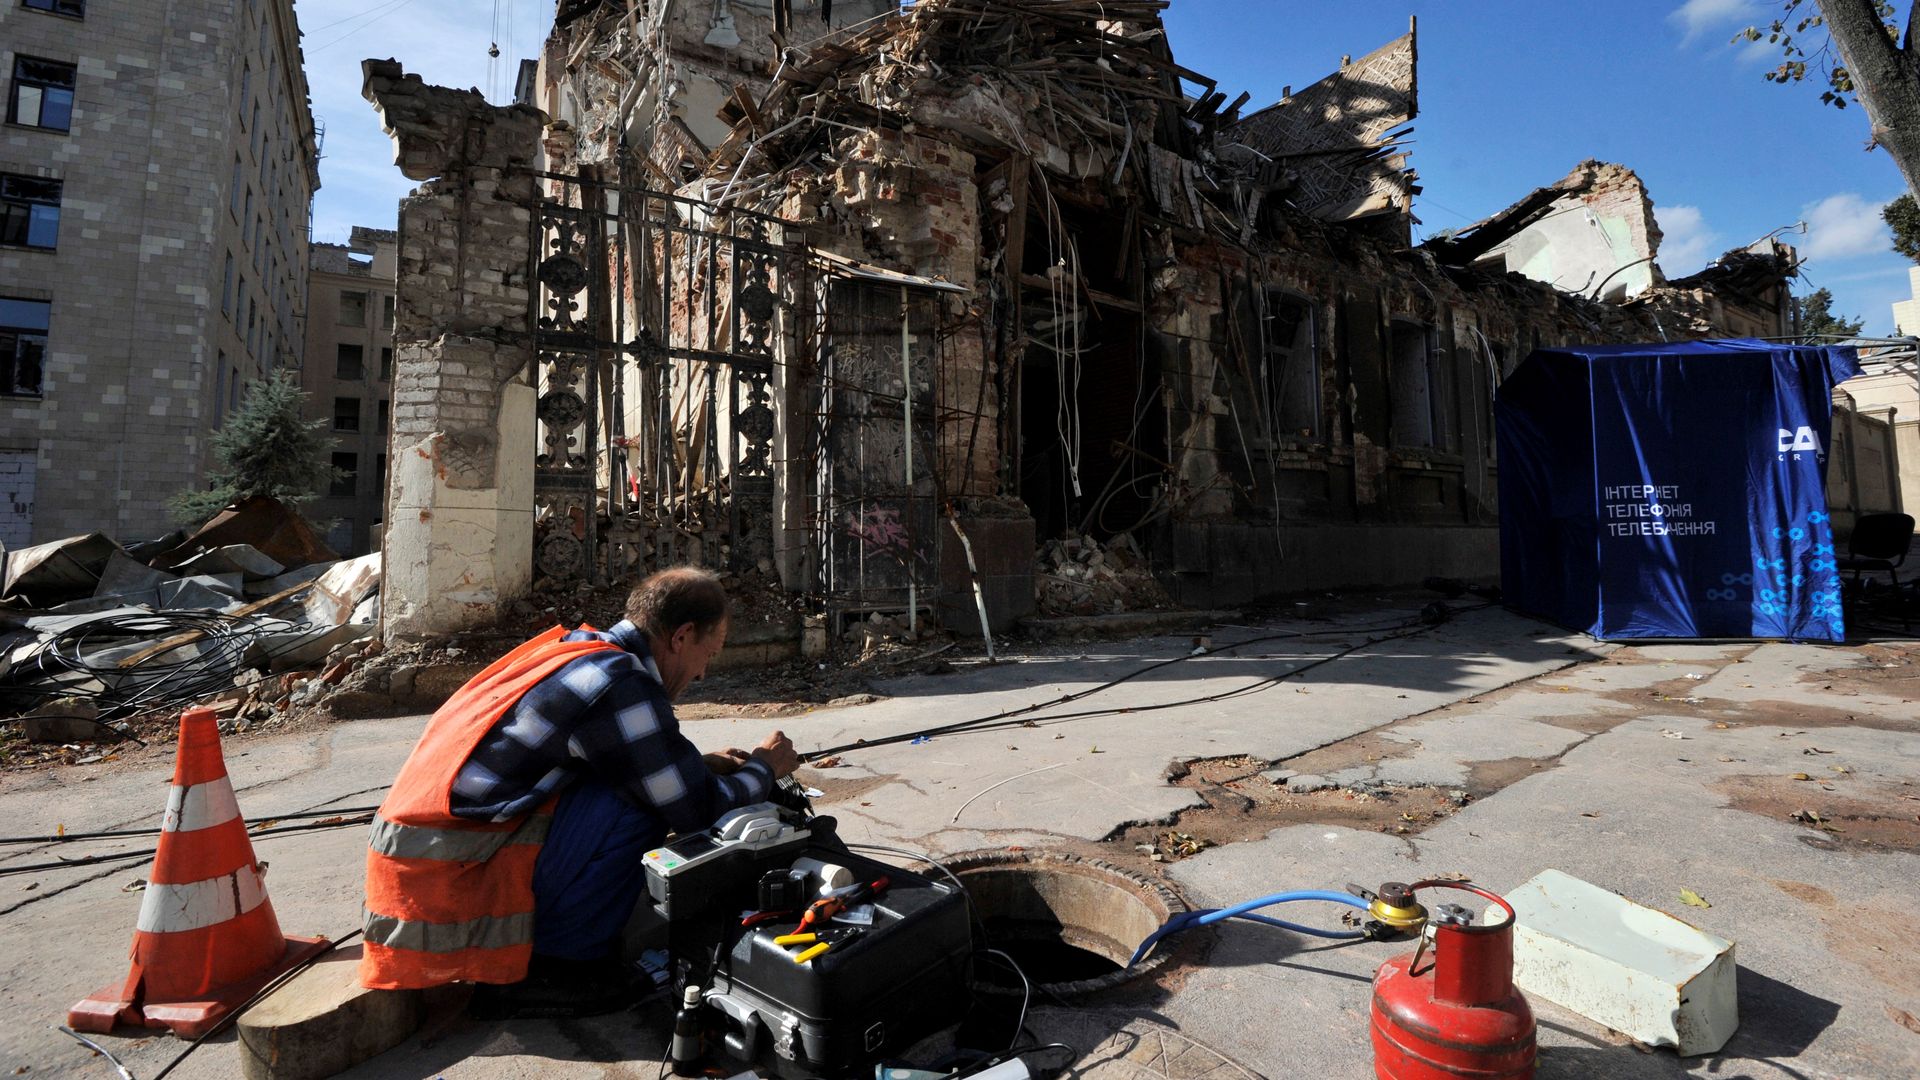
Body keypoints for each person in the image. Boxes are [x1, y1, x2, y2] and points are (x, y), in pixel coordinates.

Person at [359, 566, 800, 1016]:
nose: (704, 674)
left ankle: (550, 949)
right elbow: (697, 808)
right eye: (710, 653)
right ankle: (557, 970)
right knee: (636, 807)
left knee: (632, 784)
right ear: (682, 636)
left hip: (422, 870)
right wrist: (765, 768)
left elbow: (613, 757)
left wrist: (697, 766)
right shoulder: (619, 684)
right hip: (444, 891)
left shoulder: (581, 649)